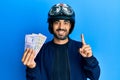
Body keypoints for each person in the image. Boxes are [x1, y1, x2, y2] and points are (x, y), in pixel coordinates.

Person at [22, 3, 100, 80]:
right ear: (51, 25)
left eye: (66, 23)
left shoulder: (81, 49)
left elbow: (94, 76)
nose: (61, 27)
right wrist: (32, 67)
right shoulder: (41, 51)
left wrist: (89, 59)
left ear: (70, 26)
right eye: (57, 22)